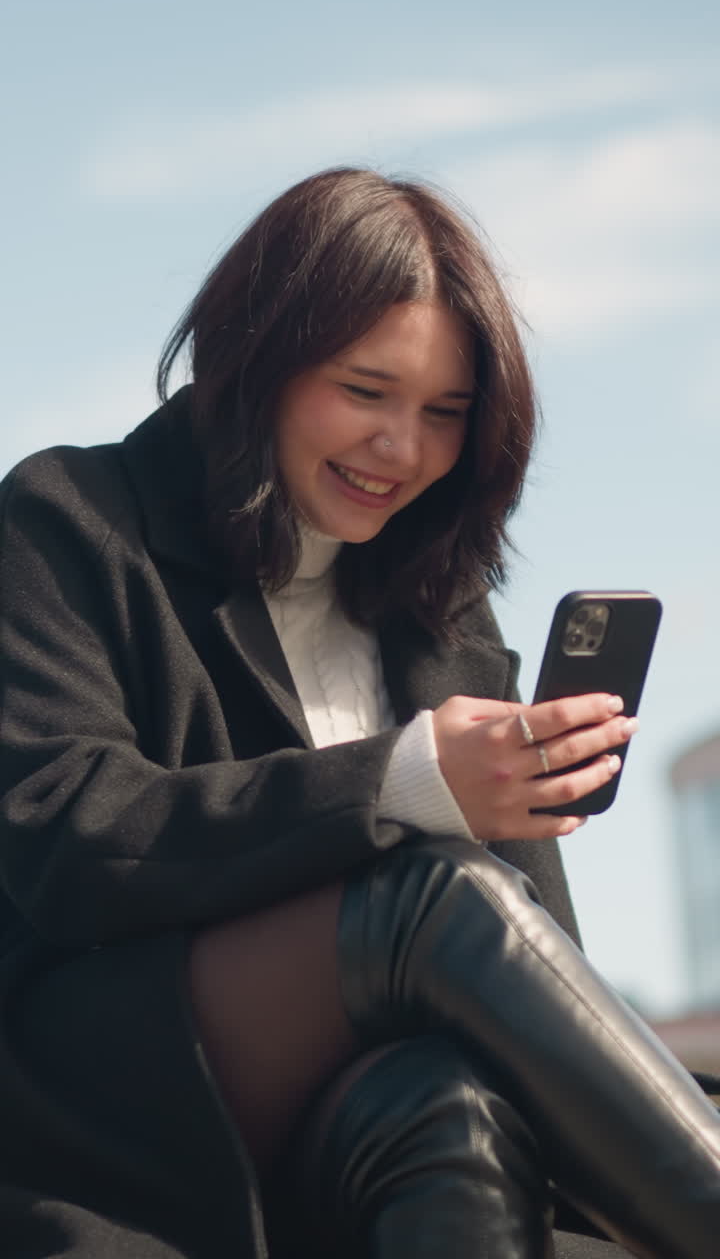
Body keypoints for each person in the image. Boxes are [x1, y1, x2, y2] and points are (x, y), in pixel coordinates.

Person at [0, 166, 718, 1259]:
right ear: (261, 360)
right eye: (365, 391)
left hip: (356, 1109)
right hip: (128, 1090)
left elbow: (538, 954)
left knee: (451, 1106)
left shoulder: (436, 602)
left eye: (444, 412)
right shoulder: (69, 517)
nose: (404, 448)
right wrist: (402, 781)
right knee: (433, 897)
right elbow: (65, 828)